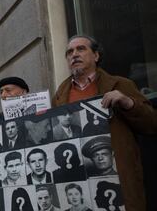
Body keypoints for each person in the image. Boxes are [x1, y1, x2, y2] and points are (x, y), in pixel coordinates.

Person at [52, 35, 157, 211]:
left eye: (81, 49)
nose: (74, 54)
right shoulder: (59, 96)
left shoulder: (121, 84)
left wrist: (128, 102)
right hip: (80, 182)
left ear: (96, 56)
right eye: (70, 52)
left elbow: (152, 124)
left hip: (119, 179)